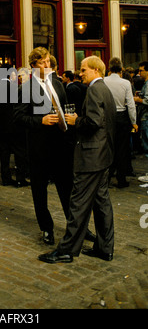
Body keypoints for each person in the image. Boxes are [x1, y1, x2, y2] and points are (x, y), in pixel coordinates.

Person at [38, 56, 116, 264]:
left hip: (91, 156)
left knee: (78, 204)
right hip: (103, 154)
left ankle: (67, 250)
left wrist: (74, 120)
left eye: (83, 70)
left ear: (96, 70)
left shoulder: (94, 89)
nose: (80, 73)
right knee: (102, 203)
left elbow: (94, 122)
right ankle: (104, 248)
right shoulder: (105, 88)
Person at [14, 47, 73, 244]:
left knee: (67, 188)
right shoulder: (25, 88)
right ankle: (47, 228)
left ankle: (75, 225)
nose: (47, 65)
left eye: (48, 61)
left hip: (61, 145)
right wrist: (40, 120)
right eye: (42, 63)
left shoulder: (57, 83)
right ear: (33, 65)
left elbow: (65, 107)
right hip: (39, 147)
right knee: (40, 191)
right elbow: (18, 117)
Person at [0, 65, 29, 187]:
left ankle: (5, 179)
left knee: (4, 153)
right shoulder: (15, 88)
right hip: (14, 126)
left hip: (1, 125)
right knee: (19, 153)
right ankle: (20, 179)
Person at [104, 57, 138, 188]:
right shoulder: (125, 83)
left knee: (108, 147)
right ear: (121, 69)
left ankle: (106, 177)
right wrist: (134, 121)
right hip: (122, 116)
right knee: (122, 148)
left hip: (108, 116)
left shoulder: (104, 81)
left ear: (109, 67)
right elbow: (130, 104)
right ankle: (121, 178)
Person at [134, 61, 148, 159]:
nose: (139, 73)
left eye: (141, 70)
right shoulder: (145, 84)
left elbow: (147, 100)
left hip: (146, 116)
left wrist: (137, 99)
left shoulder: (147, 84)